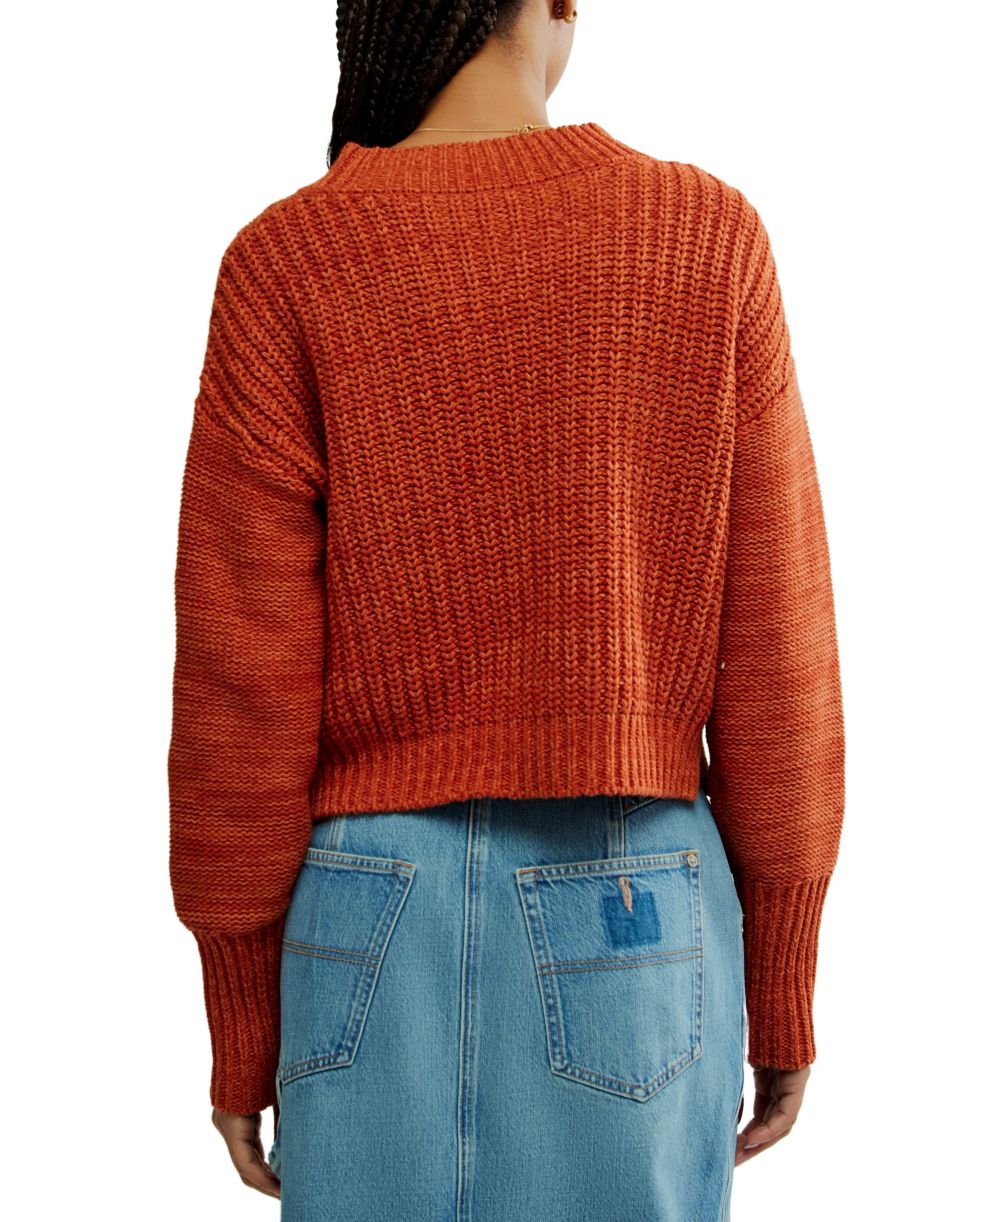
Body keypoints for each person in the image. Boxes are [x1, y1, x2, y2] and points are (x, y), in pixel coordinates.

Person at [167, 2, 846, 1218]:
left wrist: (241, 1013)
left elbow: (240, 681)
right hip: (635, 907)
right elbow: (777, 650)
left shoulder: (289, 260)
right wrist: (784, 983)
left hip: (364, 908)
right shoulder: (702, 238)